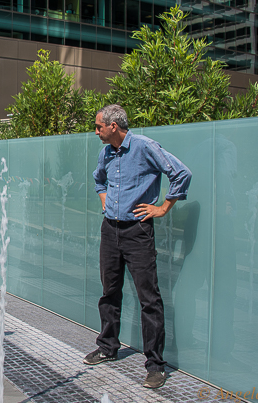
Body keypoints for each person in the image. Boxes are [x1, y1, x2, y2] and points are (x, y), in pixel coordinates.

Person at [84, 104, 192, 390]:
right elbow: (99, 179)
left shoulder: (145, 147)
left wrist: (163, 208)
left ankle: (155, 365)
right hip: (110, 230)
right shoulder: (106, 152)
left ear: (114, 127)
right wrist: (104, 197)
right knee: (109, 292)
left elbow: (181, 173)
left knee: (149, 299)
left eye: (99, 127)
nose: (96, 131)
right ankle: (108, 347)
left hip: (138, 231)